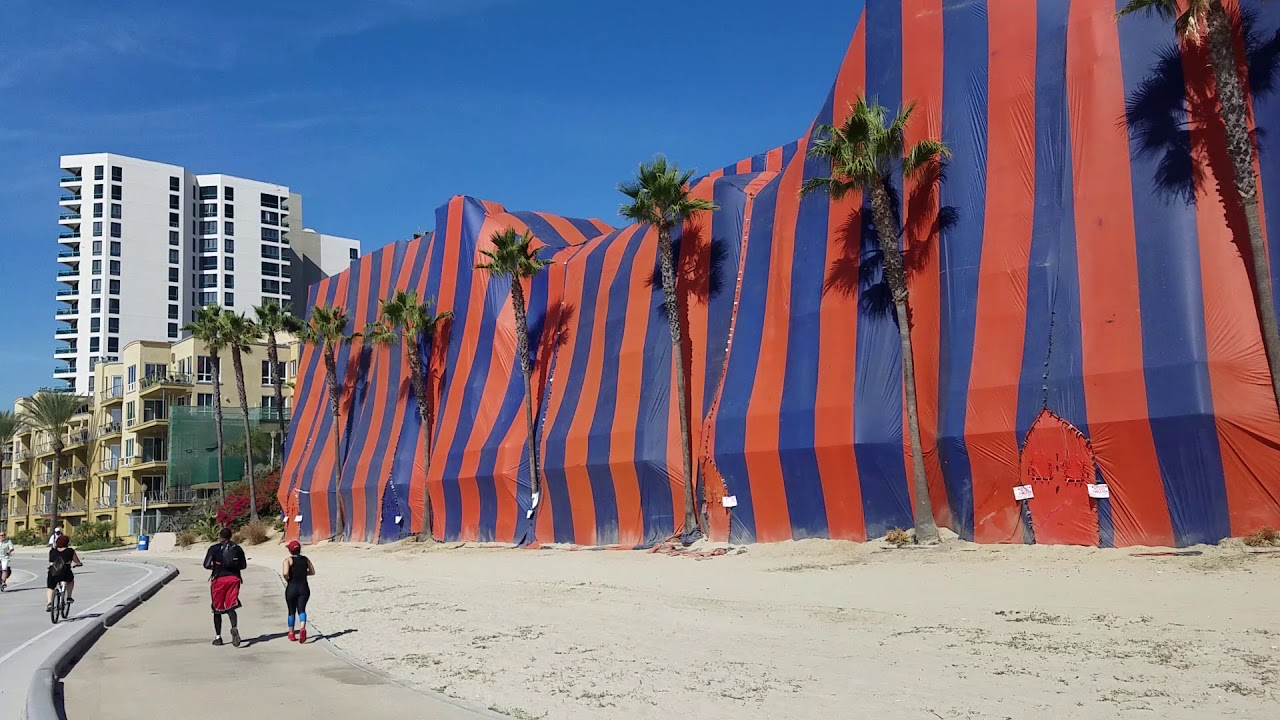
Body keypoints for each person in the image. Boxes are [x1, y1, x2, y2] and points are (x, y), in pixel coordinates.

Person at [203, 527, 247, 647]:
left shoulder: (214, 548)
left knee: (217, 608)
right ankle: (234, 627)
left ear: (220, 536)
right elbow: (243, 566)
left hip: (219, 580)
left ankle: (218, 637)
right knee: (231, 605)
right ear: (231, 535)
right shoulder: (237, 548)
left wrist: (215, 567)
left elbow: (206, 564)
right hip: (234, 579)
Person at [280, 540, 315, 643]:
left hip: (292, 587)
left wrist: (288, 578)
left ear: (290, 551)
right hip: (304, 587)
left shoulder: (288, 560)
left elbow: (285, 573)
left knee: (291, 611)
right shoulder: (305, 559)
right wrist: (303, 573)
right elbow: (312, 572)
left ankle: (291, 633)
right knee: (302, 609)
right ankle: (302, 627)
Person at [46, 534, 82, 611]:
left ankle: (49, 603)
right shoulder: (70, 551)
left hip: (53, 573)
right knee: (70, 580)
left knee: (50, 587)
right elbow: (77, 561)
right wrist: (79, 564)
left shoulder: (52, 551)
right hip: (65, 573)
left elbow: (50, 561)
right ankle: (69, 597)